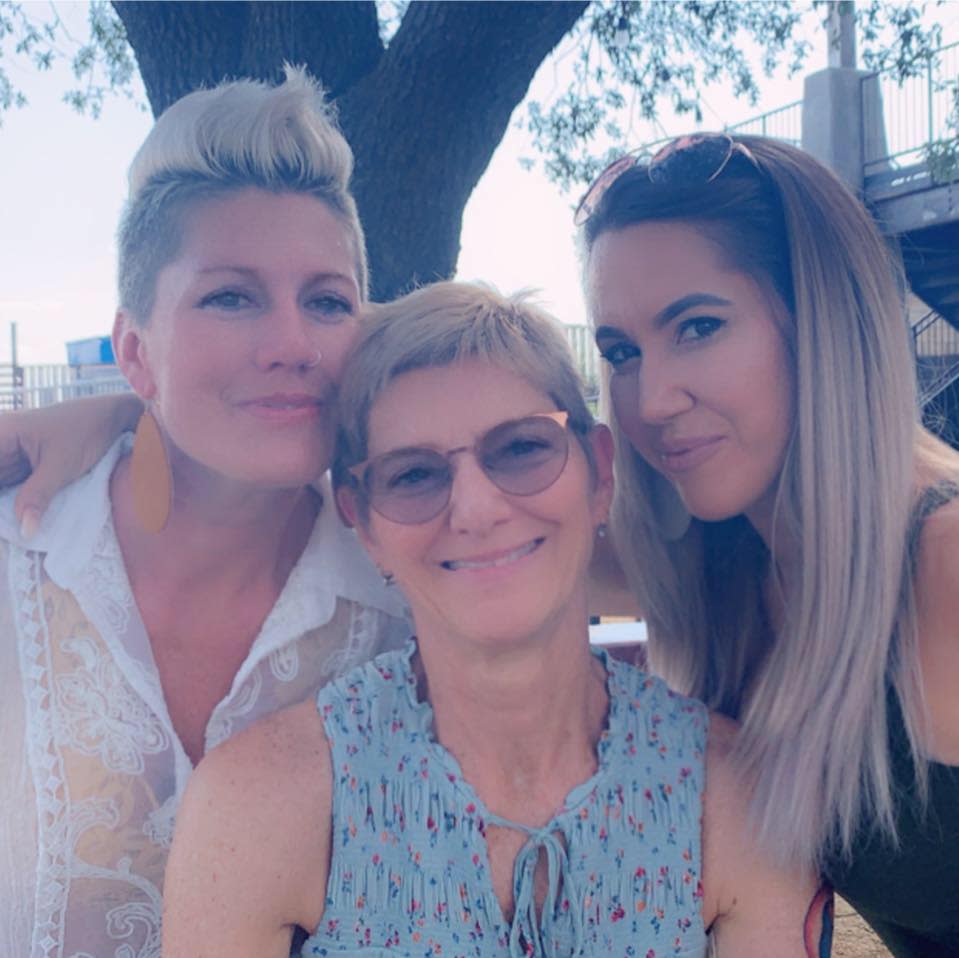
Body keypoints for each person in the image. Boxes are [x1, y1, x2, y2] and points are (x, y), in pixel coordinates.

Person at [161, 280, 827, 958]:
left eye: (520, 449)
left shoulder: (736, 796)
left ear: (599, 474)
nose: (476, 511)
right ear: (362, 522)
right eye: (414, 475)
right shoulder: (260, 804)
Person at [0, 68, 410, 957]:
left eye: (328, 302)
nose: (293, 346)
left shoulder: (409, 595)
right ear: (134, 354)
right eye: (231, 296)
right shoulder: (16, 556)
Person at [576, 131, 959, 957]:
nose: (650, 399)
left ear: (820, 323)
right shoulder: (717, 559)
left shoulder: (944, 564)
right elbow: (459, 542)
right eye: (620, 352)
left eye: (699, 326)